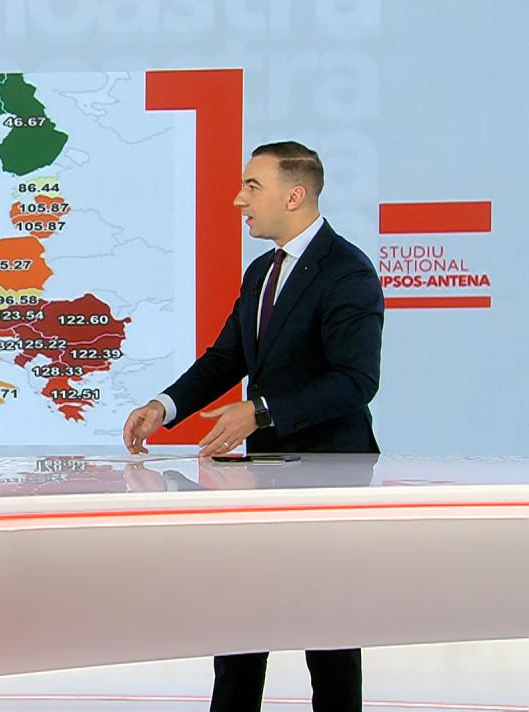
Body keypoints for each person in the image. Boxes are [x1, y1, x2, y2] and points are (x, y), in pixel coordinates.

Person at [121, 141, 384, 711]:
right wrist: (165, 406)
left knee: (329, 635)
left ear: (294, 196)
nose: (238, 199)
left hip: (328, 477)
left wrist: (260, 410)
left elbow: (356, 380)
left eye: (252, 187)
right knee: (240, 622)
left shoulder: (348, 271)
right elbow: (227, 358)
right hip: (261, 476)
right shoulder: (262, 270)